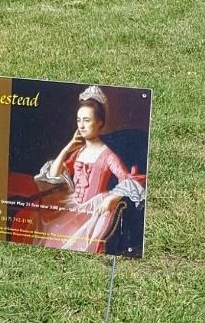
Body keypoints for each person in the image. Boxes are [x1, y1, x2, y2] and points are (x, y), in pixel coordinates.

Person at [10, 85, 145, 254]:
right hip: (73, 205)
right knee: (48, 226)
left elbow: (126, 179)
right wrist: (68, 148)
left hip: (92, 209)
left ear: (99, 123)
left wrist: (112, 198)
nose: (81, 126)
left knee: (69, 238)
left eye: (87, 120)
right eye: (79, 120)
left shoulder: (107, 155)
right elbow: (54, 174)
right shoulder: (79, 151)